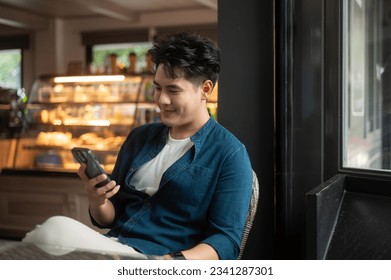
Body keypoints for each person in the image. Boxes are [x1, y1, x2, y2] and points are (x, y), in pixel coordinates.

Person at [23, 32, 253, 260]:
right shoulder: (139, 138)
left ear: (205, 89)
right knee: (48, 235)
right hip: (115, 248)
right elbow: (110, 217)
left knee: (53, 233)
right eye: (158, 88)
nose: (162, 99)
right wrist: (97, 199)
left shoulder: (230, 153)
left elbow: (225, 241)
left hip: (161, 259)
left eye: (173, 90)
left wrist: (171, 263)